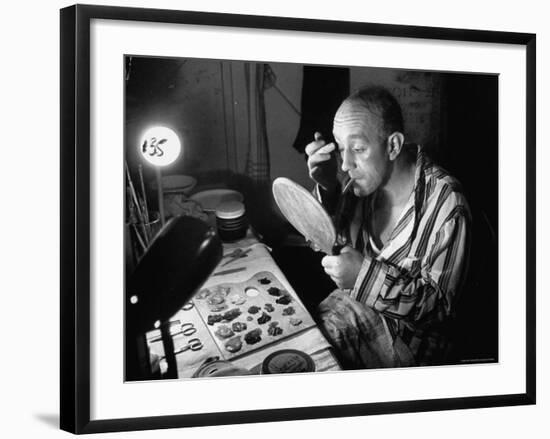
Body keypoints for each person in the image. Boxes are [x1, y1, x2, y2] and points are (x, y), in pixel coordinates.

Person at [305, 86, 471, 368]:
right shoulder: (360, 185)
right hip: (351, 313)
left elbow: (441, 311)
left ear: (393, 145)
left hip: (412, 351)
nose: (345, 164)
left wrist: (363, 276)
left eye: (357, 148)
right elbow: (326, 241)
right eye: (340, 147)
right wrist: (328, 187)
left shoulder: (447, 204)